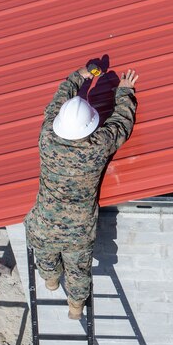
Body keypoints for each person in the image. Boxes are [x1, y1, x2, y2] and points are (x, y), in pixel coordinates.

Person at [25, 61, 138, 319]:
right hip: (78, 229)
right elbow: (122, 124)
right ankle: (75, 307)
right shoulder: (97, 146)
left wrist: (80, 75)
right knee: (78, 270)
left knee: (45, 255)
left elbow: (58, 101)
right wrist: (125, 90)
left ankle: (51, 281)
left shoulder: (47, 137)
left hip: (44, 222)